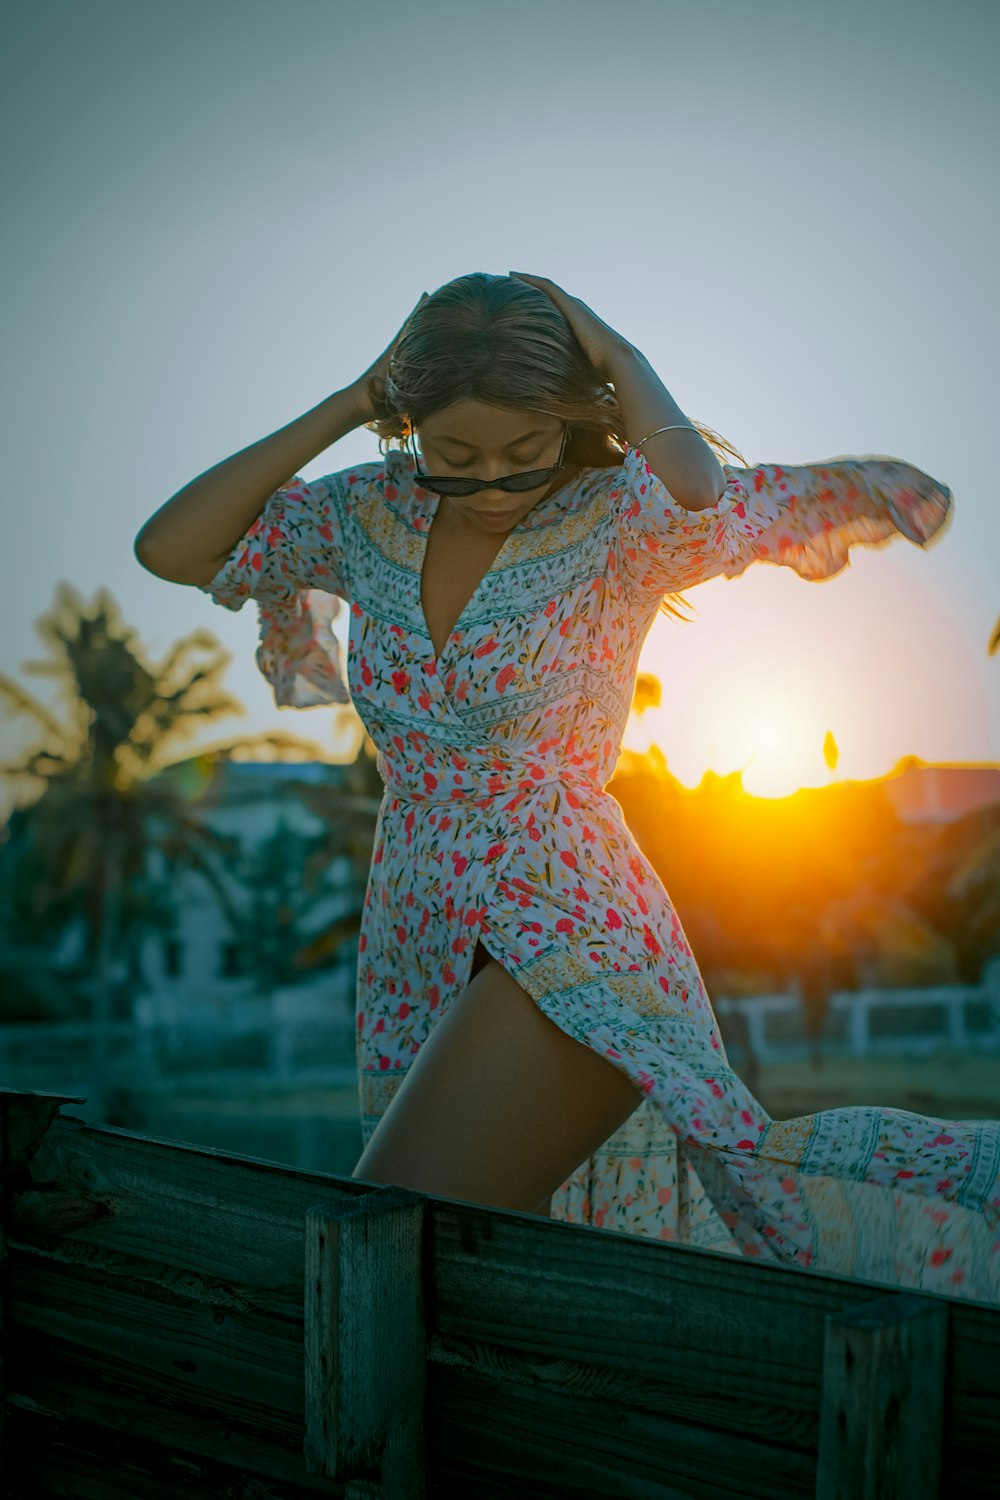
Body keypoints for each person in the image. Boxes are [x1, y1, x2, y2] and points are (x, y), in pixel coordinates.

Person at [135, 271, 998, 1305]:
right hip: (423, 929)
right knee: (476, 1288)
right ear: (408, 429)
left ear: (568, 427)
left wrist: (619, 358)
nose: (492, 483)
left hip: (571, 927)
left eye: (522, 454)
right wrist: (346, 404)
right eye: (456, 457)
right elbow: (171, 547)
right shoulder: (364, 518)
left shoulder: (618, 515)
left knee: (379, 1254)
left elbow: (699, 496)